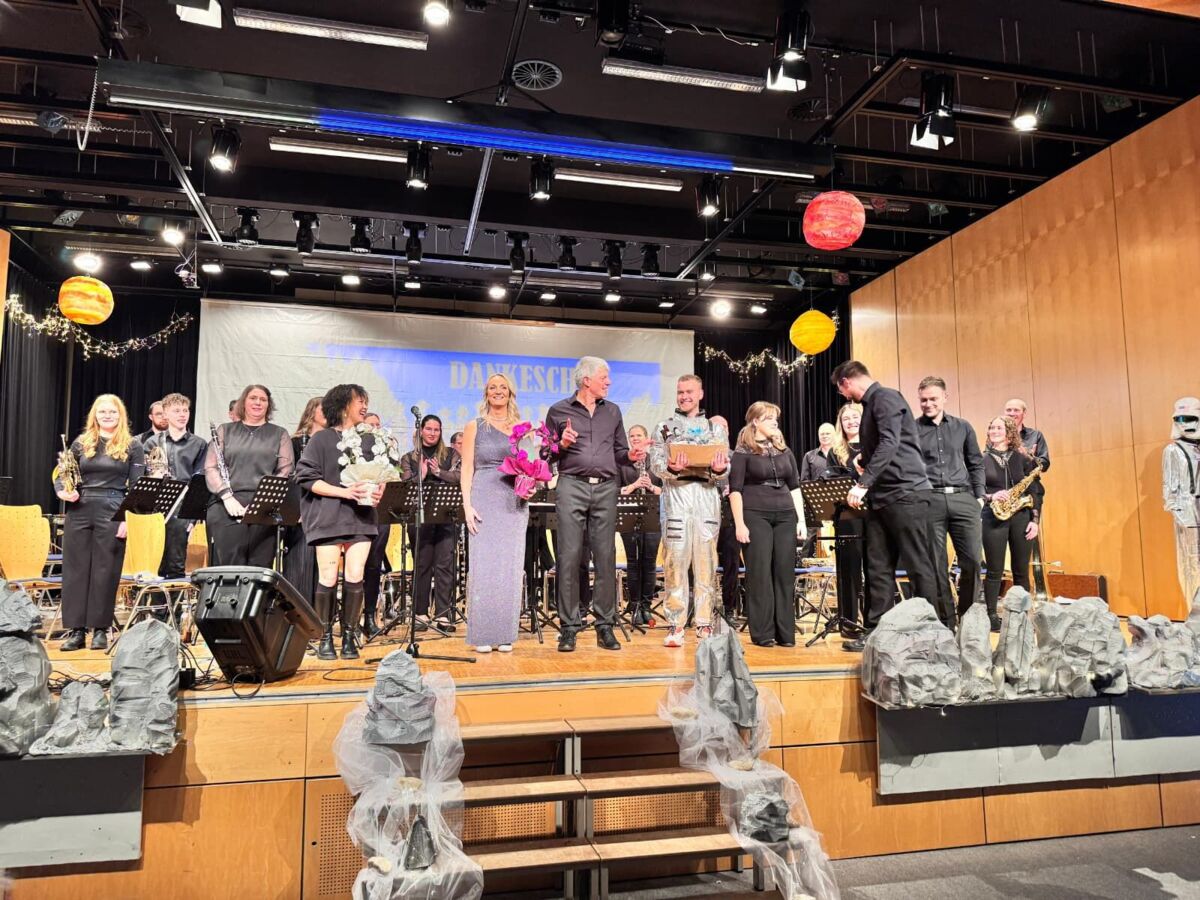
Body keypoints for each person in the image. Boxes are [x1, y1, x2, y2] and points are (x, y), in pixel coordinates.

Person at [830, 361, 938, 652]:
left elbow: (891, 442)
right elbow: (886, 443)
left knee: (918, 564)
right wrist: (863, 458)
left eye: (841, 390)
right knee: (877, 566)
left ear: (846, 382)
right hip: (882, 498)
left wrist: (863, 482)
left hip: (906, 493)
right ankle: (877, 632)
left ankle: (930, 632)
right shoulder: (872, 404)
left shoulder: (885, 397)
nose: (844, 396)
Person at [545, 356, 646, 652]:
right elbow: (546, 453)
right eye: (604, 377)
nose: (609, 382)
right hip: (571, 485)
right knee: (569, 555)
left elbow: (620, 452)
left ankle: (605, 626)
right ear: (586, 380)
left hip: (605, 487)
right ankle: (569, 627)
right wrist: (561, 445)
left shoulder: (612, 411)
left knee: (605, 556)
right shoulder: (558, 410)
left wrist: (631, 456)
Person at [295, 384, 387, 659]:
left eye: (366, 401)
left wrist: (379, 489)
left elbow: (380, 472)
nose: (364, 406)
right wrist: (344, 492)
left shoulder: (369, 439)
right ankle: (325, 637)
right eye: (359, 401)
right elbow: (307, 479)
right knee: (328, 577)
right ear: (343, 405)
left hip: (361, 517)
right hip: (329, 516)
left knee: (356, 576)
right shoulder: (321, 439)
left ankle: (349, 636)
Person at [54, 395, 145, 651]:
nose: (107, 415)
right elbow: (62, 473)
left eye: (112, 412)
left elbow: (137, 487)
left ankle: (101, 629)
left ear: (120, 415)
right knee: (76, 570)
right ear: (94, 415)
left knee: (106, 570)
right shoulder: (80, 442)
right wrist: (63, 491)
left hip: (114, 508)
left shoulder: (133, 445)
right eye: (102, 411)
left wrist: (129, 518)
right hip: (80, 508)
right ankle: (76, 631)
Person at [648, 374, 729, 648]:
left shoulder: (715, 428)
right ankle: (676, 623)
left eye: (689, 392)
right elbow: (656, 463)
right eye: (680, 392)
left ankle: (704, 623)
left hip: (706, 495)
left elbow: (725, 466)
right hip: (676, 494)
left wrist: (720, 469)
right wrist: (671, 467)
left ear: (701, 394)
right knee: (675, 559)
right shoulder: (664, 427)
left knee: (706, 561)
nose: (684, 396)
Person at [461, 374, 528, 653]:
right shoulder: (474, 426)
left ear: (510, 393)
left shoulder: (521, 428)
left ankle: (505, 633)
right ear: (486, 393)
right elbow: (467, 468)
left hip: (513, 500)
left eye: (503, 387)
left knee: (509, 566)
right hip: (484, 497)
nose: (497, 391)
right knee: (484, 565)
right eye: (492, 387)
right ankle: (483, 633)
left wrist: (530, 484)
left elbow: (529, 465)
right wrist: (467, 505)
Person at [729, 402, 804, 648]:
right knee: (760, 573)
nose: (774, 422)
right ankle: (763, 632)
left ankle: (785, 633)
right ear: (755, 421)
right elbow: (735, 490)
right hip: (755, 514)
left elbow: (795, 487)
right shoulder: (743, 452)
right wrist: (739, 524)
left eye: (775, 419)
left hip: (785, 515)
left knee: (784, 573)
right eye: (769, 418)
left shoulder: (784, 450)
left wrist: (801, 520)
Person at [915, 377, 984, 627]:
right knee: (936, 564)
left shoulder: (963, 426)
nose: (928, 404)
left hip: (963, 498)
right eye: (923, 400)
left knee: (973, 561)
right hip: (929, 500)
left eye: (933, 399)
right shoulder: (912, 429)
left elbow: (975, 462)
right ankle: (946, 622)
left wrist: (979, 497)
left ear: (945, 397)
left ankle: (968, 620)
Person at [204, 384, 295, 567]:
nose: (258, 402)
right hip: (227, 503)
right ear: (243, 402)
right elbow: (211, 467)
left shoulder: (280, 434)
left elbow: (285, 470)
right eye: (253, 398)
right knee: (231, 564)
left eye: (263, 399)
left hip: (265, 505)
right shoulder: (225, 430)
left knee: (259, 566)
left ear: (268, 405)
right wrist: (227, 497)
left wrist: (260, 503)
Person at [401, 414, 462, 633]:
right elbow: (405, 484)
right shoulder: (409, 458)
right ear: (421, 431)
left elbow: (459, 477)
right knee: (422, 564)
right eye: (429, 429)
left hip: (446, 518)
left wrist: (438, 472)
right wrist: (422, 474)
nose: (432, 433)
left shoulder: (452, 454)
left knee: (445, 565)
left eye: (437, 429)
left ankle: (443, 614)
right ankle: (420, 613)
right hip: (420, 519)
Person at [981, 415, 1041, 631]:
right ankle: (991, 615)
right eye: (991, 427)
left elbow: (1034, 490)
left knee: (1021, 570)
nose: (994, 431)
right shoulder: (980, 460)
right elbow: (974, 489)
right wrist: (991, 496)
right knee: (994, 570)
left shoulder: (1022, 459)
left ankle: (1022, 615)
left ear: (1009, 432)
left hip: (1021, 516)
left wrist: (1035, 520)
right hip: (993, 516)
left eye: (998, 427)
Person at [143, 393, 207, 583]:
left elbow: (199, 482)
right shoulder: (152, 442)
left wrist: (192, 517)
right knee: (155, 563)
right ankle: (156, 602)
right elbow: (143, 476)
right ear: (165, 414)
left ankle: (174, 602)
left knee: (176, 562)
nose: (182, 414)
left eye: (185, 410)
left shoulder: (199, 444)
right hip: (156, 507)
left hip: (182, 508)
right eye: (176, 411)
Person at [830, 402, 868, 641]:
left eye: (855, 417)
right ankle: (849, 622)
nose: (851, 422)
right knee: (849, 569)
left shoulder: (873, 445)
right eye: (846, 419)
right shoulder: (836, 451)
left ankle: (873, 621)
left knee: (874, 568)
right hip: (847, 515)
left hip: (874, 513)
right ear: (841, 424)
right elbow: (830, 482)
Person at [283, 397, 325, 612]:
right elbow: (289, 477)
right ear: (311, 412)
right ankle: (297, 616)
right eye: (323, 409)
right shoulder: (296, 442)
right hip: (300, 511)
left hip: (325, 512)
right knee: (300, 565)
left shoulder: (333, 442)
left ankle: (318, 618)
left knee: (322, 569)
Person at [619, 424, 663, 626]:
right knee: (633, 562)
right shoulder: (623, 464)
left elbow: (667, 491)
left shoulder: (656, 462)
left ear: (646, 438)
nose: (635, 438)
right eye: (632, 436)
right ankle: (634, 604)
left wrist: (651, 487)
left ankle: (646, 606)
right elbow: (616, 490)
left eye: (639, 435)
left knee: (649, 562)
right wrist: (634, 486)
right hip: (629, 516)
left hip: (653, 516)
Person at [1164, 397, 1200, 619]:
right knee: (1192, 565)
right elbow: (1170, 488)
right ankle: (1195, 617)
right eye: (1179, 419)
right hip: (1188, 514)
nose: (1184, 423)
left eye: (1189, 418)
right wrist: (1181, 513)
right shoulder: (1173, 450)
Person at [360, 411, 391, 639]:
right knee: (355, 568)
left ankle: (370, 617)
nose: (375, 428)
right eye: (371, 424)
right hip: (357, 512)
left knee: (374, 566)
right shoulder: (352, 448)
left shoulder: (386, 450)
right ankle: (351, 619)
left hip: (380, 514)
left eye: (378, 425)